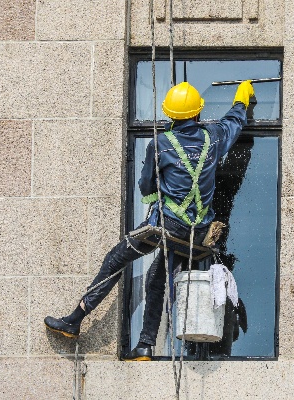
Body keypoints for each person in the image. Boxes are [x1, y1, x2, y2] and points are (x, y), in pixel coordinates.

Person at [44, 80, 254, 361]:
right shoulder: (213, 138)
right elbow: (233, 123)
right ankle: (145, 345)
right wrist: (242, 98)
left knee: (116, 259)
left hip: (168, 226)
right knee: (157, 278)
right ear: (197, 113)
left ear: (170, 116)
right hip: (198, 232)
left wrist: (161, 188)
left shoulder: (161, 144)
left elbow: (146, 187)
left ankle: (75, 319)